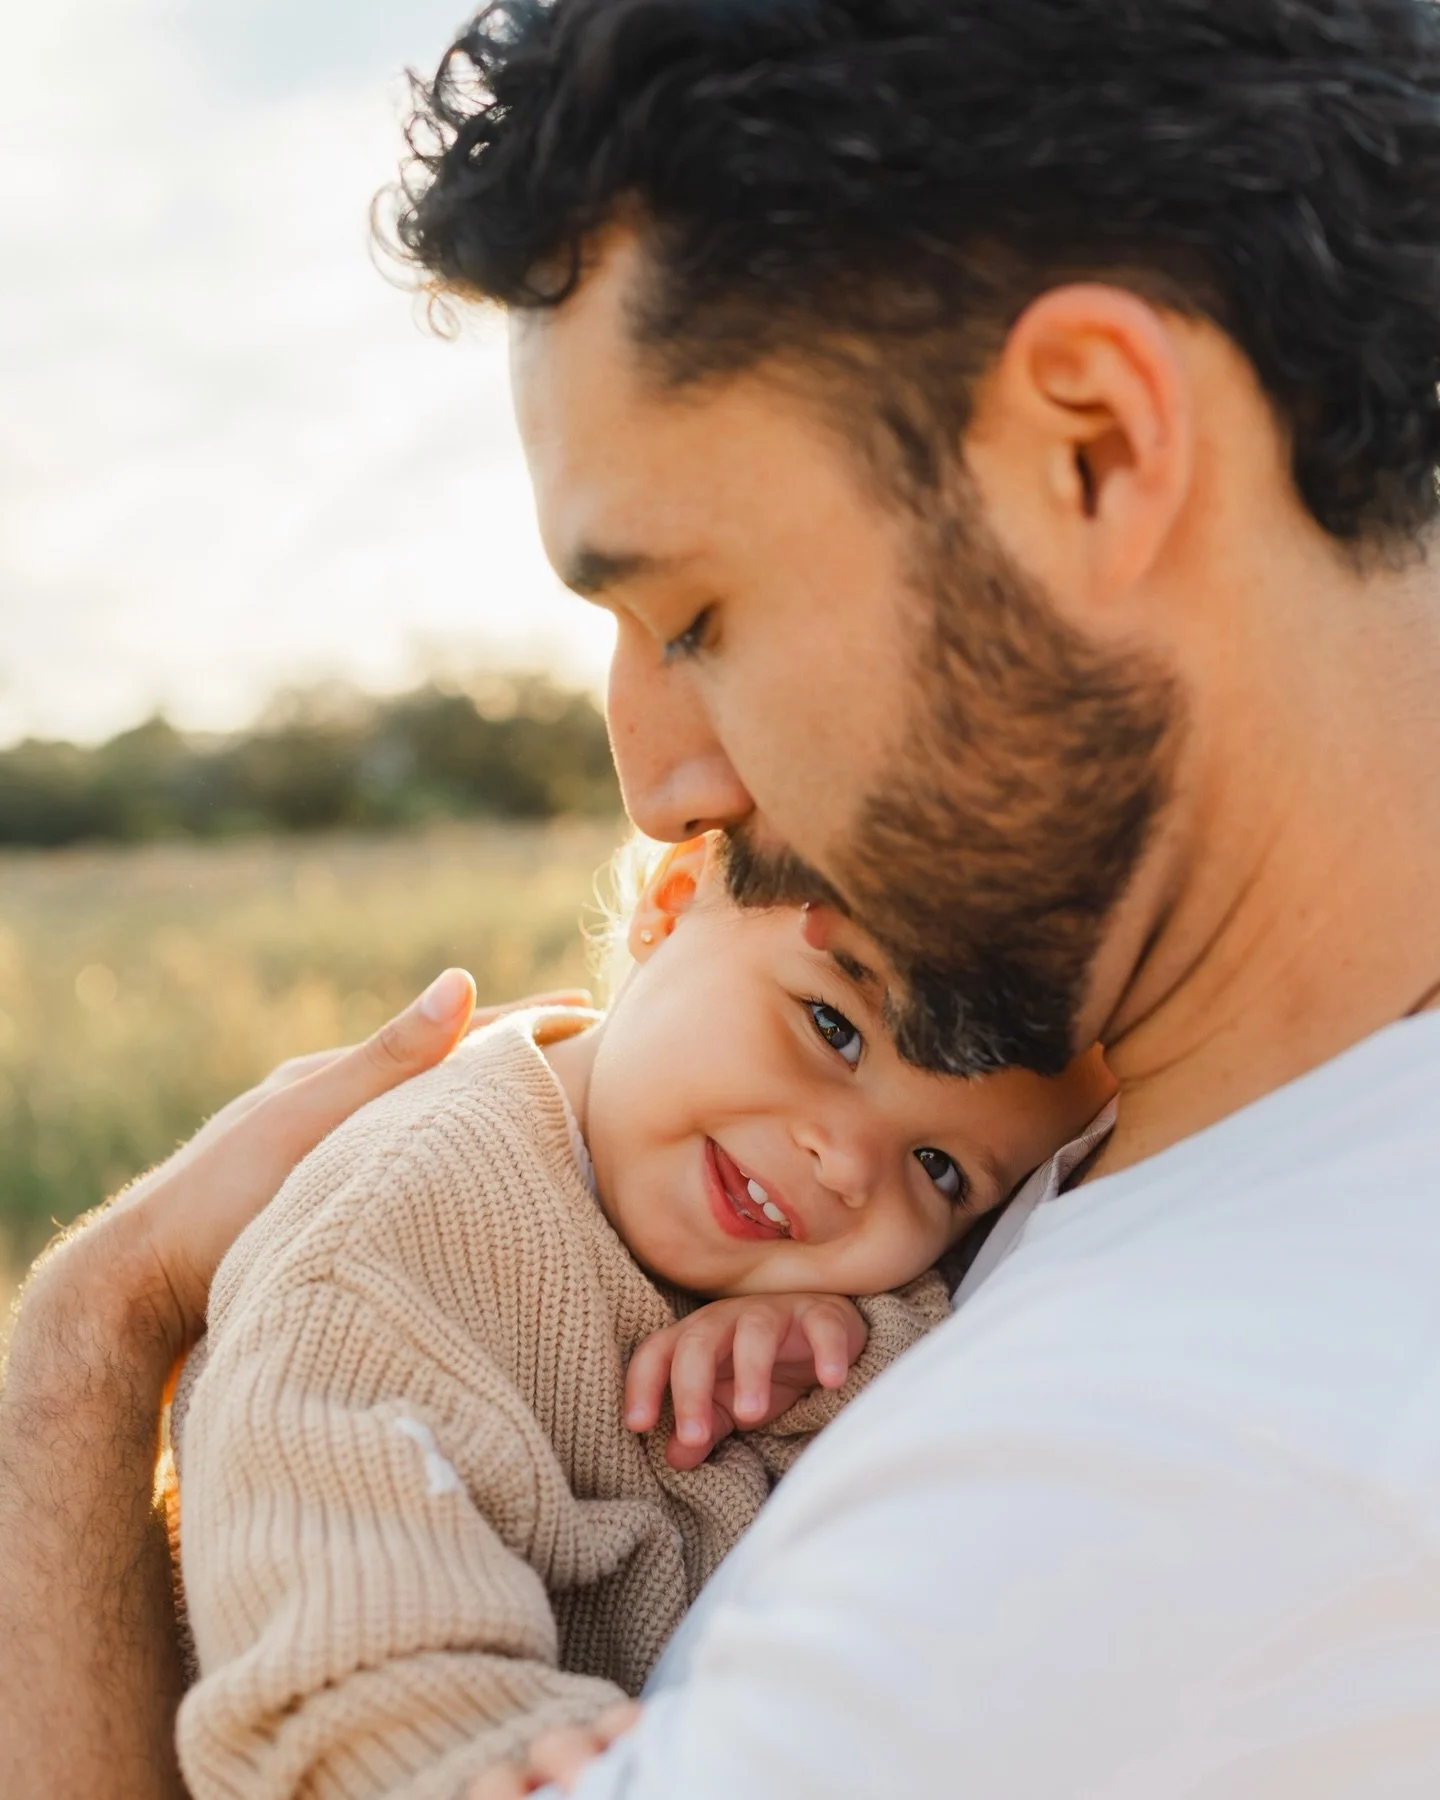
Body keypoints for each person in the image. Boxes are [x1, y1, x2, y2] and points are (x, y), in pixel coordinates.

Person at [6, 0, 1440, 1794]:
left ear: (1094, 445)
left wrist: (77, 1362)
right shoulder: (1125, 1103)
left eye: (696, 617)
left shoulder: (1169, 1505)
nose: (659, 782)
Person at [170, 832, 1108, 1800]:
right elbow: (320, 1554)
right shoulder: (399, 1228)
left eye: (939, 1168)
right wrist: (466, 1755)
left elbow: (945, 1355)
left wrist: (829, 1355)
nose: (847, 1162)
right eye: (834, 1027)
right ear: (670, 901)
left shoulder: (800, 1257)